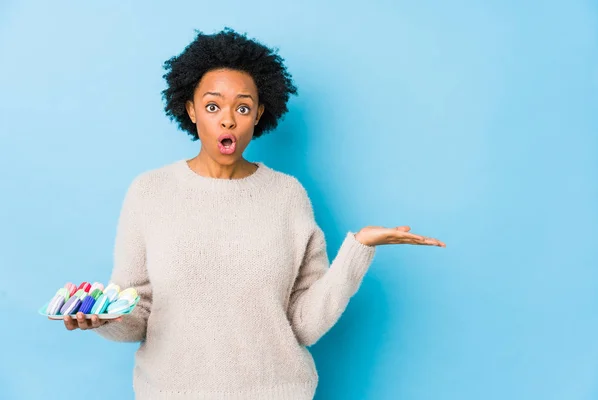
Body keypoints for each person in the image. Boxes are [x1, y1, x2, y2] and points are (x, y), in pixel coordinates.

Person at [58, 27, 446, 399]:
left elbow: (304, 325)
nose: (228, 119)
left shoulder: (287, 195)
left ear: (259, 113)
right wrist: (105, 320)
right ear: (191, 109)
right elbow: (137, 310)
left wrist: (358, 249)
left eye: (242, 107)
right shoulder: (150, 191)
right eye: (213, 106)